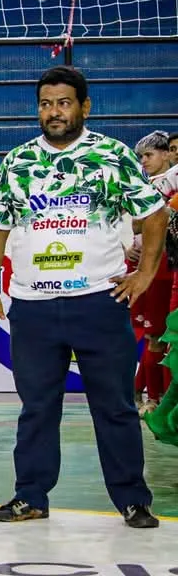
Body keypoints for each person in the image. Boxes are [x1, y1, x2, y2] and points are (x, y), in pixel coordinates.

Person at [0, 65, 165, 529]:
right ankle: (31, 496)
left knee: (115, 405)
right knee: (37, 407)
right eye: (45, 104)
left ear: (84, 106)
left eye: (63, 103)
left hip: (98, 302)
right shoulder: (17, 161)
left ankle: (132, 499)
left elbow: (155, 215)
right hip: (33, 307)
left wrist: (144, 275)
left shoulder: (111, 155)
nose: (54, 112)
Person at [127, 130, 177, 413]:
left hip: (164, 265)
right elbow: (136, 225)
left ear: (167, 154)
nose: (144, 161)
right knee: (154, 335)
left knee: (161, 336)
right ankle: (150, 397)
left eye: (149, 155)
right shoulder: (148, 185)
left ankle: (146, 395)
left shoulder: (169, 180)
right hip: (150, 267)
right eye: (141, 157)